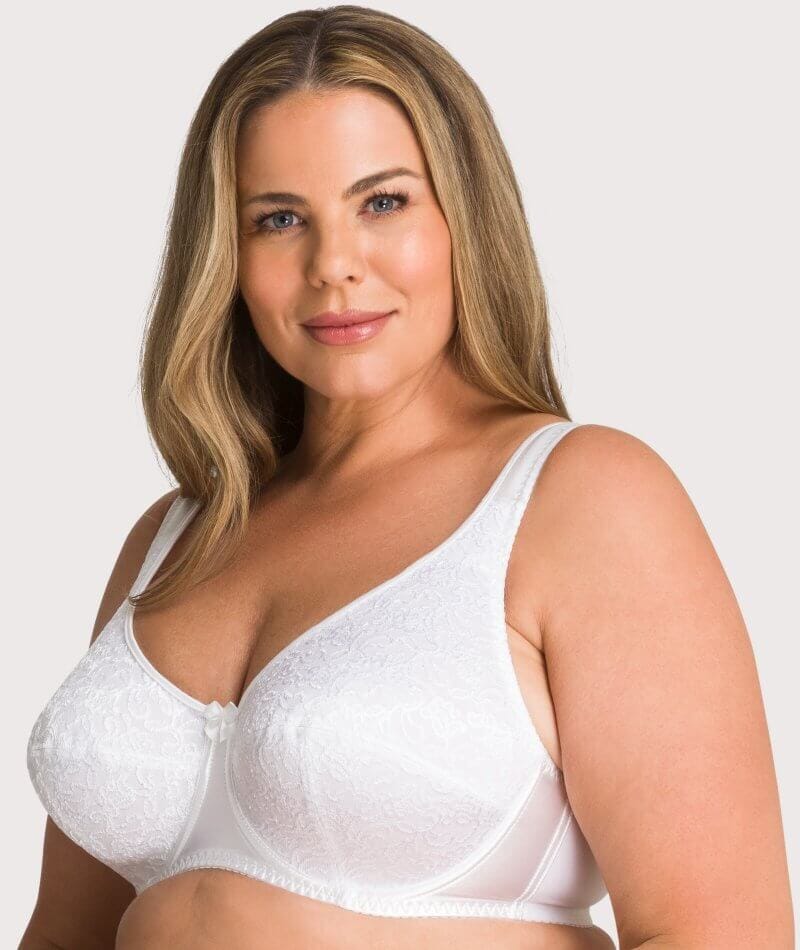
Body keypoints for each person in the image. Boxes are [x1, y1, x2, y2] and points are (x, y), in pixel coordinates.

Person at [20, 6, 793, 950]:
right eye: (279, 219)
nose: (333, 266)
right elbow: (62, 933)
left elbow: (722, 933)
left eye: (382, 202)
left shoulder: (582, 499)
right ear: (226, 254)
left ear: (464, 217)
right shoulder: (176, 534)